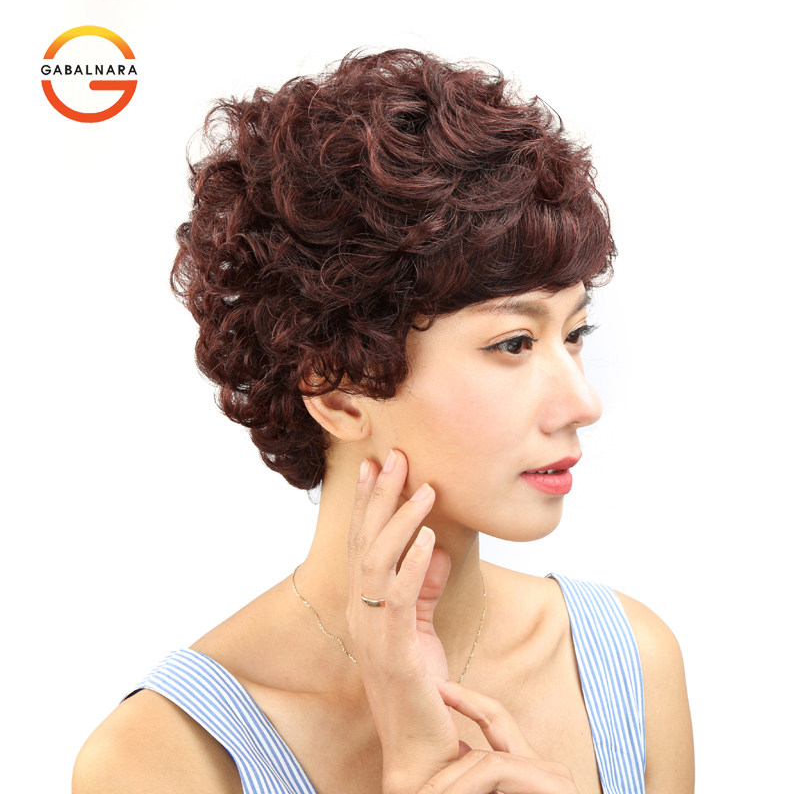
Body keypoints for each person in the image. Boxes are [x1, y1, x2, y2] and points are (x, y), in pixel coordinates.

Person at [73, 49, 694, 794]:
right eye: (514, 343)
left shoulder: (627, 664)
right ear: (337, 393)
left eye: (575, 333)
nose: (583, 404)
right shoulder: (164, 759)